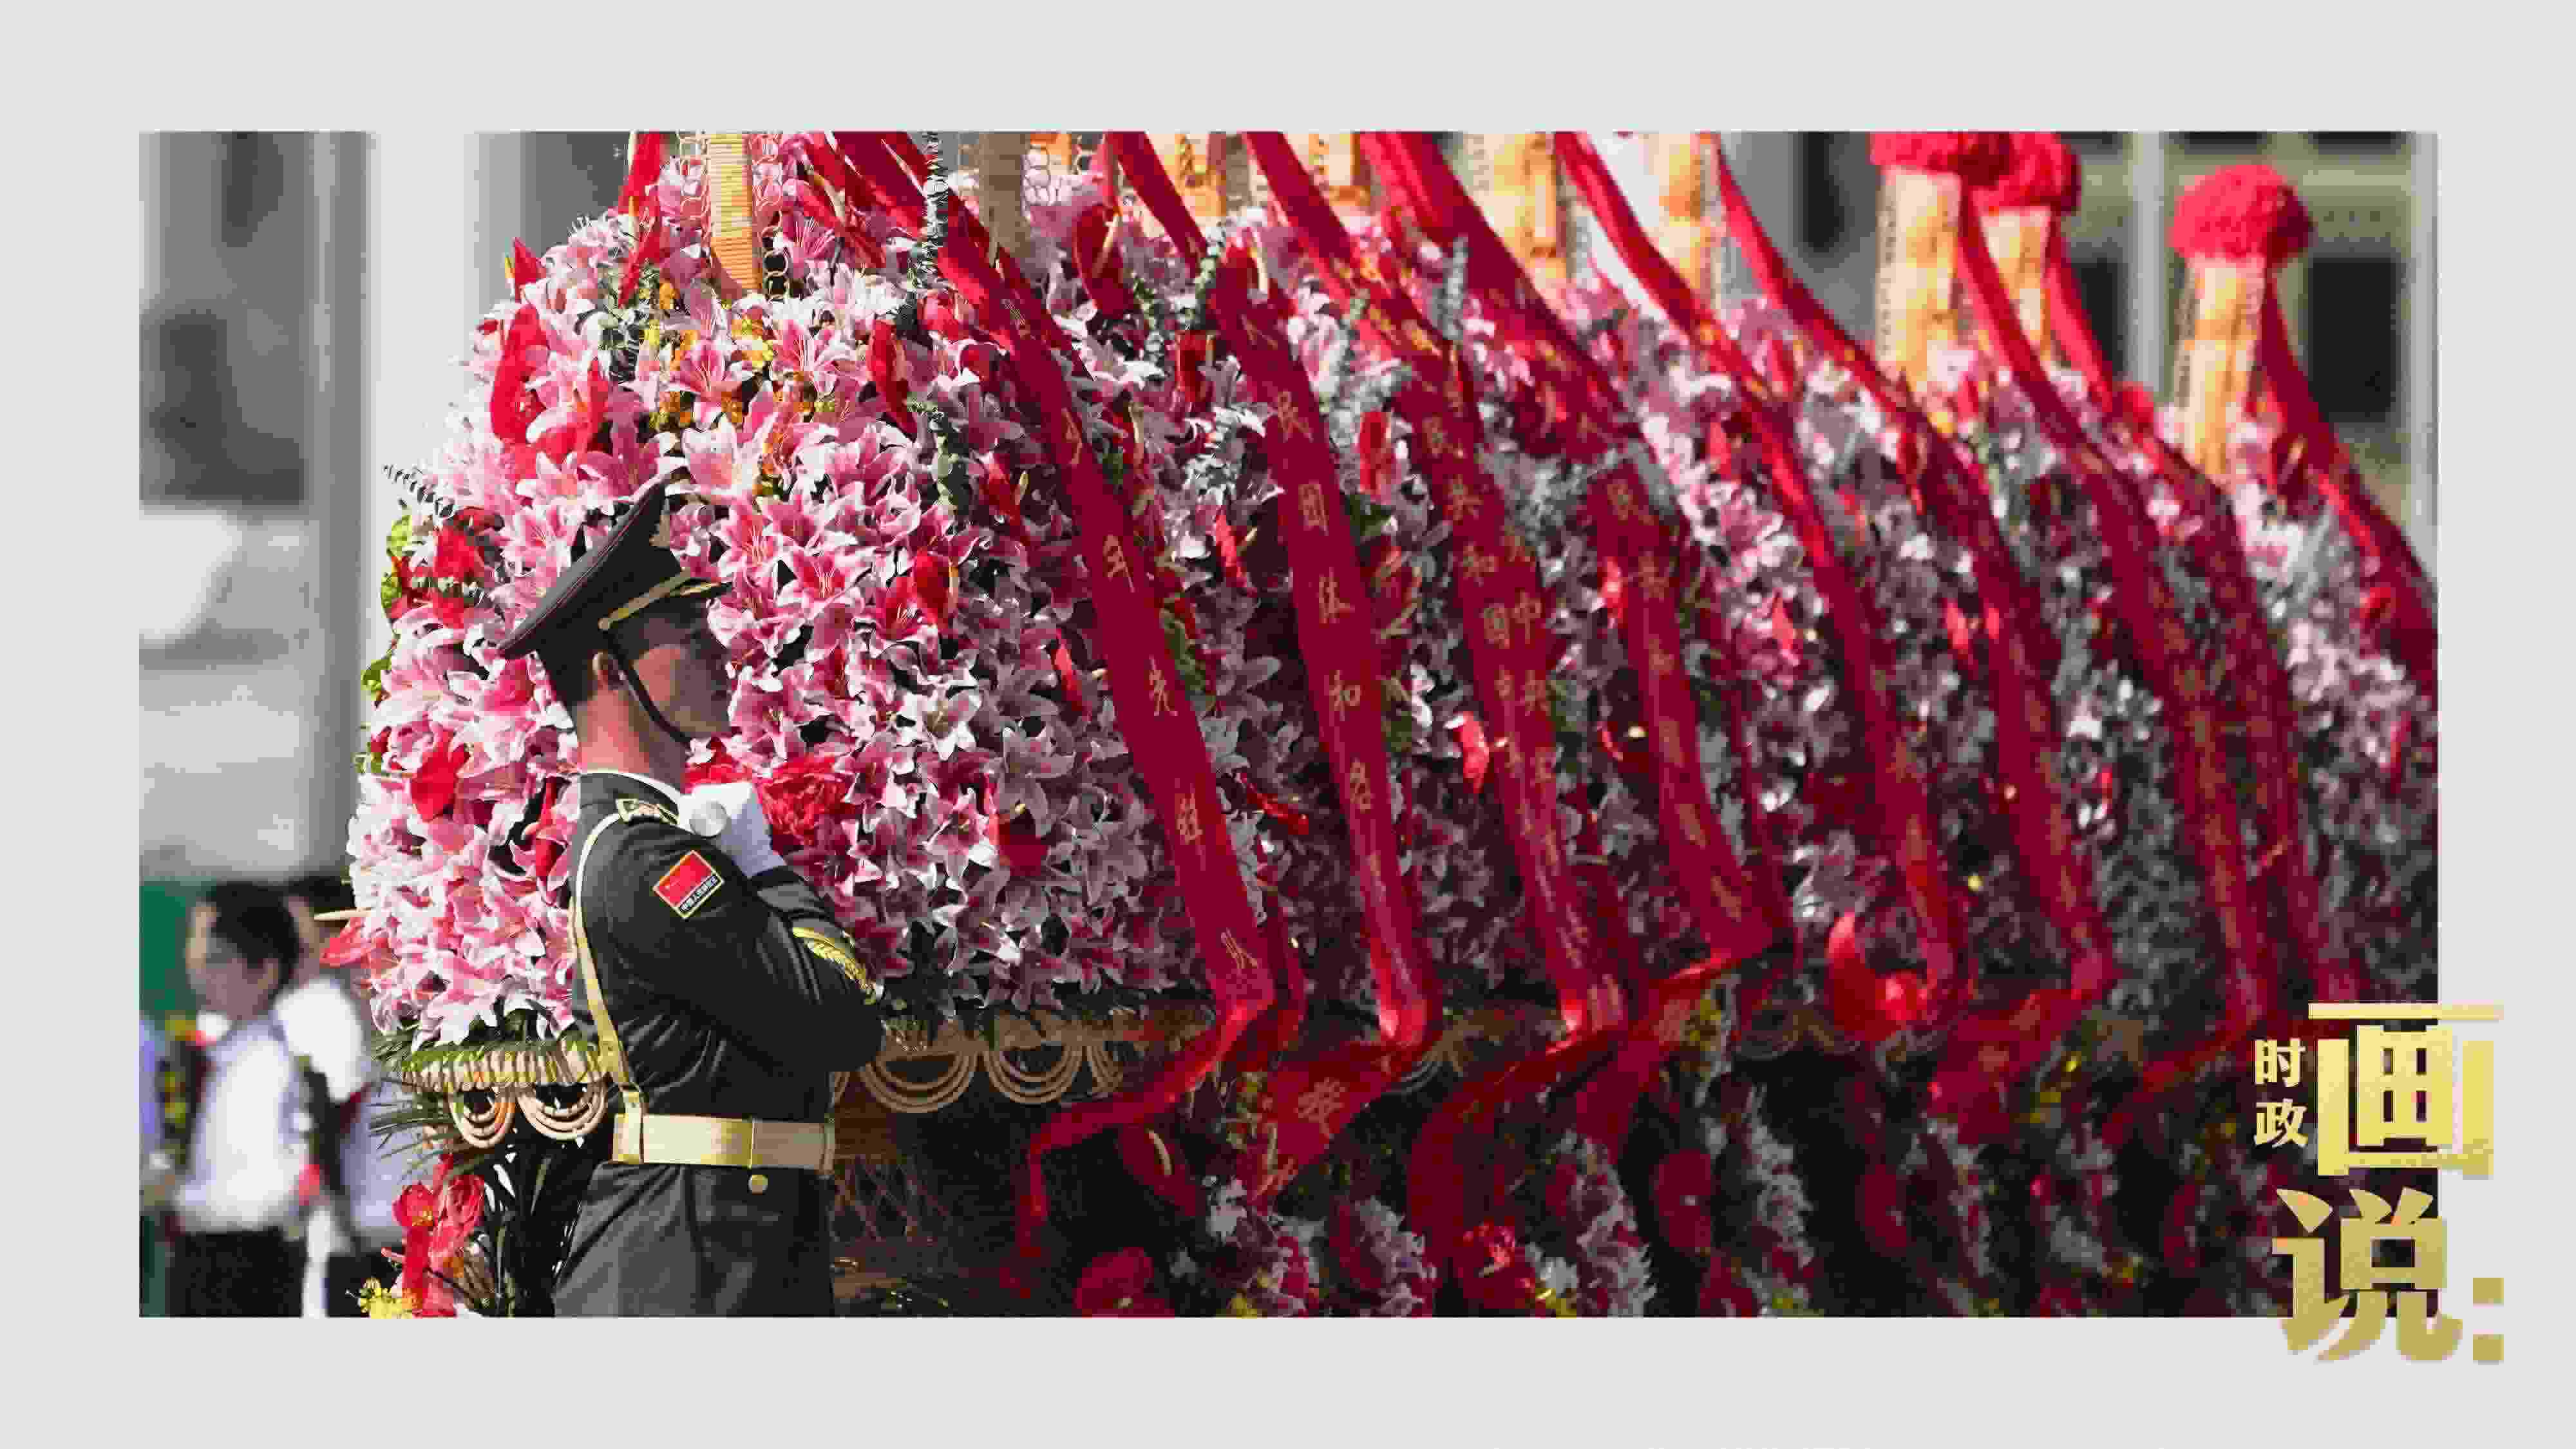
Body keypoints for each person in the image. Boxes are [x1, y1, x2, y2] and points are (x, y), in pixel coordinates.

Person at [493, 481, 892, 1315]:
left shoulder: (646, 843)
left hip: (722, 1252)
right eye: (687, 635)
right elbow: (842, 1018)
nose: (720, 654)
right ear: (611, 671)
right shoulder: (645, 858)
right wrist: (765, 868)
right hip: (689, 1267)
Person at [160, 882, 310, 1316]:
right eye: (195, 957)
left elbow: (285, 1181)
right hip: (198, 1251)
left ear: (264, 971)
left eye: (215, 959)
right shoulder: (203, 1049)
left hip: (256, 1258)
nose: (197, 972)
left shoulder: (282, 1056)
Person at [279, 873, 406, 1316]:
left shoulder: (327, 1010)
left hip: (398, 1238)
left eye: (303, 946)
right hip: (343, 1239)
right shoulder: (306, 1011)